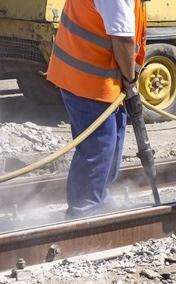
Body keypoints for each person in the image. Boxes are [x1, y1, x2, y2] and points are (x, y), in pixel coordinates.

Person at [46, 0, 147, 217]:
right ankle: (83, 210)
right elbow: (123, 39)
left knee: (113, 141)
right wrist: (130, 81)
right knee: (98, 146)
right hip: (88, 81)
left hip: (101, 78)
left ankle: (100, 196)